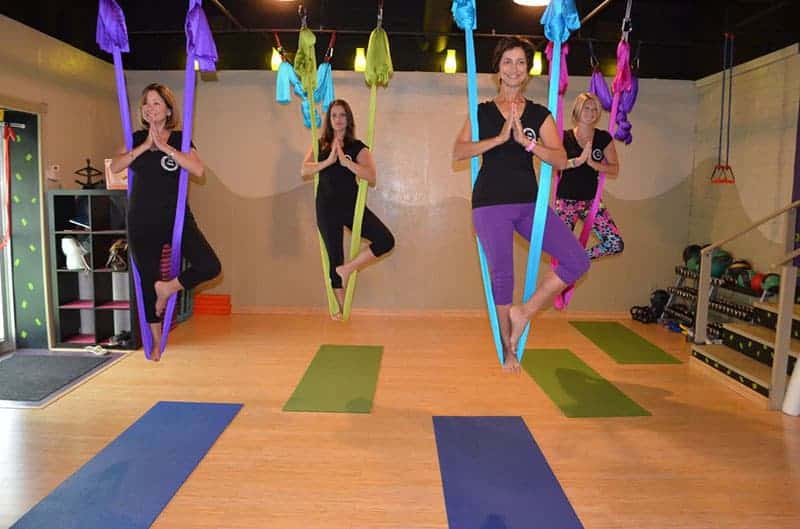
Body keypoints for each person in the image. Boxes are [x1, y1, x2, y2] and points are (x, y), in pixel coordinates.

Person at [452, 37, 590, 371]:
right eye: (508, 62)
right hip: (489, 204)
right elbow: (458, 151)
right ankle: (508, 349)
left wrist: (528, 144)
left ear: (527, 72)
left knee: (577, 260)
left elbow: (559, 159)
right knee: (503, 276)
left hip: (529, 204)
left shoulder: (539, 114)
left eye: (521, 63)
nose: (514, 69)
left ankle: (524, 313)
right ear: (498, 70)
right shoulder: (481, 111)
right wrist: (499, 139)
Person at [110, 83, 221, 361]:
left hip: (176, 218)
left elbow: (197, 169)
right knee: (146, 279)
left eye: (156, 103)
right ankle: (157, 341)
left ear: (168, 109)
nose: (150, 108)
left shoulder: (181, 139)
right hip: (141, 219)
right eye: (146, 103)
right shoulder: (134, 137)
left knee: (210, 265)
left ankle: (168, 287)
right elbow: (115, 167)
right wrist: (146, 146)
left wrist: (164, 147)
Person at [301, 99, 395, 319]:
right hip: (326, 207)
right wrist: (329, 161)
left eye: (342, 115)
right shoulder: (320, 144)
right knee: (335, 258)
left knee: (385, 239)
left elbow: (371, 176)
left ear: (348, 118)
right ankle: (344, 313)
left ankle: (349, 268)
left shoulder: (357, 147)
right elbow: (305, 170)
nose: (338, 119)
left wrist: (345, 162)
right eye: (334, 115)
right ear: (329, 119)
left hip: (351, 206)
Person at [555, 92, 623, 260]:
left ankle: (580, 257)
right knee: (558, 248)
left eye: (594, 109)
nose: (591, 113)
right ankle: (568, 264)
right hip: (566, 201)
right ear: (578, 110)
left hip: (591, 202)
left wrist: (593, 164)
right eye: (587, 108)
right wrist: (577, 161)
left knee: (615, 243)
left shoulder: (603, 138)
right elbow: (554, 165)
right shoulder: (564, 137)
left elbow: (614, 169)